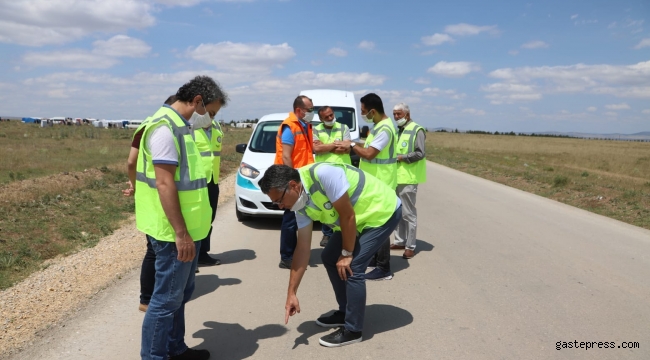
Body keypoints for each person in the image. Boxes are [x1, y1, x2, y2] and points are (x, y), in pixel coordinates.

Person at [258, 163, 402, 347]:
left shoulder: (323, 174)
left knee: (353, 266)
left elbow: (347, 215)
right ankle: (345, 312)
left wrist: (347, 253)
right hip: (354, 219)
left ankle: (353, 329)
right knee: (328, 257)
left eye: (279, 200)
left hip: (381, 213)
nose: (280, 206)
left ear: (293, 185)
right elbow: (302, 248)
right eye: (276, 203)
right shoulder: (299, 205)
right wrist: (292, 293)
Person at [136, 75, 227, 360]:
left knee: (180, 297)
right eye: (209, 112)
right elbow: (165, 184)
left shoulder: (182, 126)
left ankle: (175, 348)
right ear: (197, 101)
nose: (209, 119)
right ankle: (154, 356)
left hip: (192, 229)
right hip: (173, 233)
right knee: (164, 301)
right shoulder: (165, 129)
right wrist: (181, 233)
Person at [342, 93, 397, 281]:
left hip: (383, 181)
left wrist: (350, 144)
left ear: (373, 111)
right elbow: (366, 145)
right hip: (376, 180)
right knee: (372, 220)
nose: (362, 114)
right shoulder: (378, 126)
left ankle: (384, 268)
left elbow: (369, 153)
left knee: (379, 222)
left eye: (364, 111)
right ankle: (374, 258)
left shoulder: (385, 130)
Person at [274, 95, 315, 269]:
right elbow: (286, 155)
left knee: (299, 217)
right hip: (292, 180)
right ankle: (287, 257)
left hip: (302, 178)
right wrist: (293, 181)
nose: (312, 113)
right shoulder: (290, 127)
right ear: (299, 110)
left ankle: (294, 253)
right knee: (291, 219)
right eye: (310, 110)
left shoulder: (304, 125)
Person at [391, 103, 426, 259]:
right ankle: (399, 241)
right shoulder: (398, 130)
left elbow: (420, 153)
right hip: (395, 177)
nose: (396, 117)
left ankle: (410, 246)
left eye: (399, 114)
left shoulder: (417, 130)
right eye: (394, 114)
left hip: (409, 178)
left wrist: (401, 158)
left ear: (407, 114)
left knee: (409, 213)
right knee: (397, 212)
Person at [312, 106, 351, 247]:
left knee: (343, 203)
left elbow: (346, 148)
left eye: (331, 115)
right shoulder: (316, 129)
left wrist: (325, 146)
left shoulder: (343, 127)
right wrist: (335, 145)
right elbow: (316, 149)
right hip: (323, 172)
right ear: (321, 118)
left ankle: (342, 233)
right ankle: (327, 234)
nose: (330, 118)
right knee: (327, 204)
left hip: (342, 171)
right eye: (326, 117)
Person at [193, 109, 226, 266]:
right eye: (209, 113)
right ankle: (190, 258)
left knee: (208, 218)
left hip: (212, 180)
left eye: (213, 114)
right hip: (196, 182)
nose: (211, 117)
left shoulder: (217, 127)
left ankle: (202, 254)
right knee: (195, 219)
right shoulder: (191, 128)